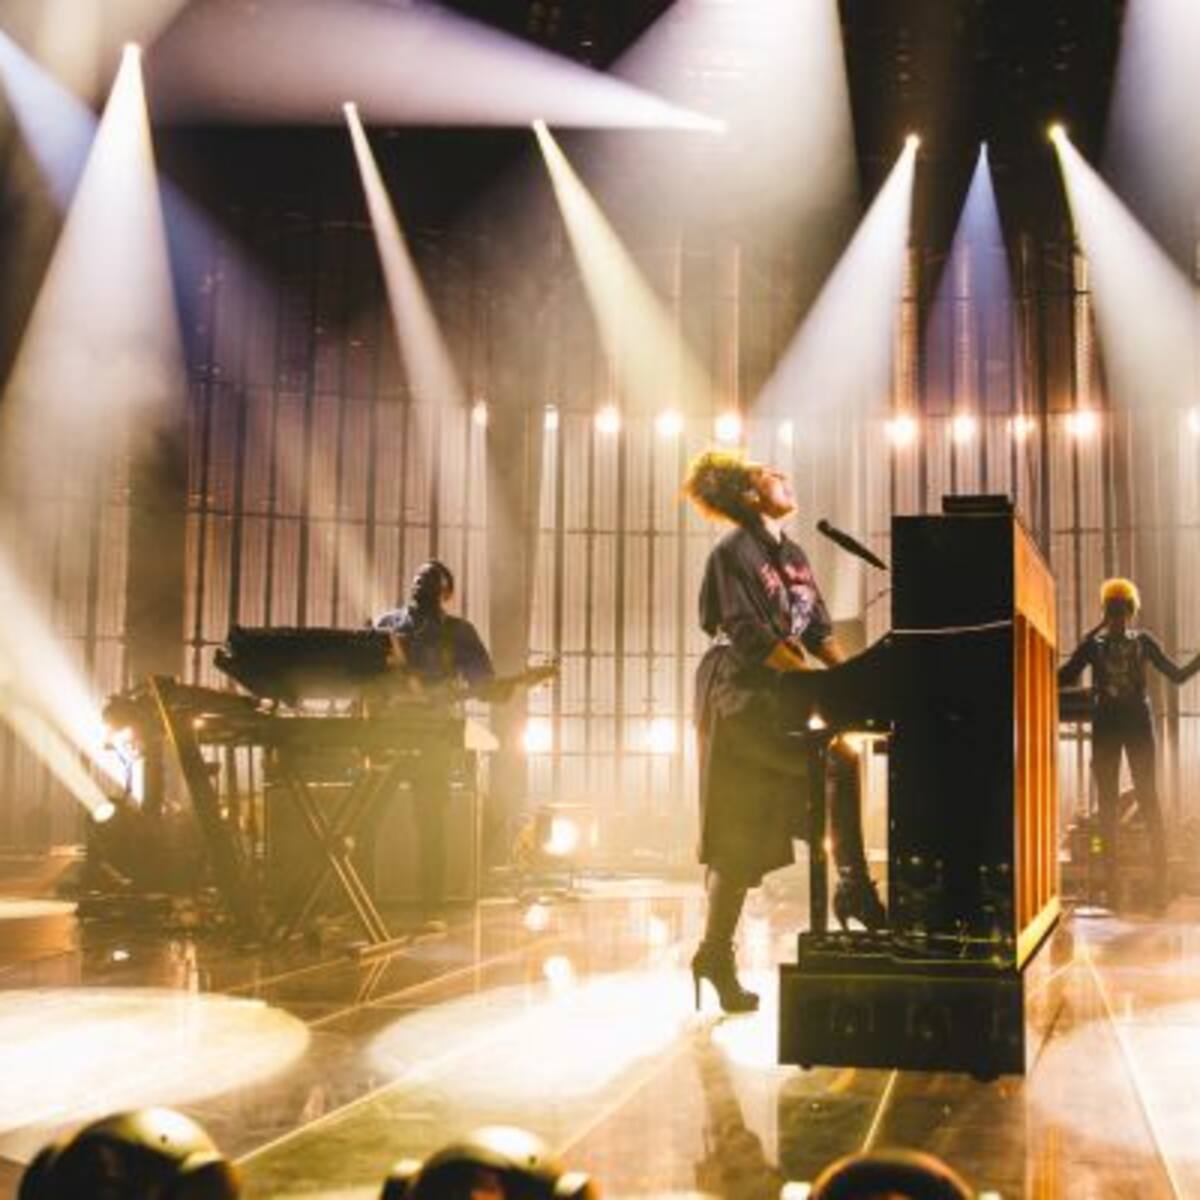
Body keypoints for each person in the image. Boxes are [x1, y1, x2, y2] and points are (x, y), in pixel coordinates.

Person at [682, 449, 884, 1014]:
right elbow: (748, 634)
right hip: (737, 692)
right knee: (739, 832)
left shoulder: (793, 554)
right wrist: (818, 685)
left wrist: (851, 680)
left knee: (833, 764)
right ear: (749, 496)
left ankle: (849, 887)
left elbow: (818, 629)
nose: (784, 476)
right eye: (770, 474)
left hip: (778, 690)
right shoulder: (731, 552)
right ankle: (721, 950)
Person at [1058, 576, 1200, 912]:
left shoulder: (1124, 643)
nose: (1118, 617)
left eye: (1120, 611)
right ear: (1109, 612)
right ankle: (1119, 891)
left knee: (1141, 802)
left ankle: (1153, 888)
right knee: (1120, 806)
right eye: (1113, 611)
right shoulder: (1101, 644)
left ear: (1129, 611)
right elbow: (1063, 678)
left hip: (1124, 725)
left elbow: (1178, 675)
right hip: (1122, 725)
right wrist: (1088, 638)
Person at [375, 560, 495, 917]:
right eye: (418, 578)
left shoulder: (460, 633)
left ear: (447, 593)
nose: (421, 584)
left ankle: (432, 907)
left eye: (430, 581)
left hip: (433, 738)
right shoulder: (385, 625)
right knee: (366, 817)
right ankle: (361, 901)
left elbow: (484, 682)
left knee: (430, 821)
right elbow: (362, 675)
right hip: (386, 735)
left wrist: (490, 690)